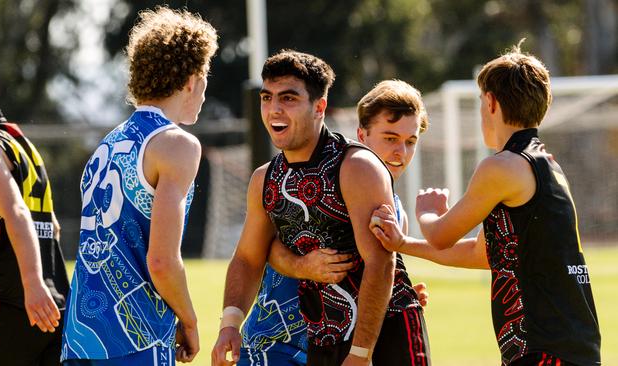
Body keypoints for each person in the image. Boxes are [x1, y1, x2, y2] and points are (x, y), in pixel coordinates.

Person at [370, 42, 602, 366]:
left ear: (490, 102)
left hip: (543, 347)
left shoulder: (502, 166)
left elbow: (440, 235)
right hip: (568, 343)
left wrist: (428, 211)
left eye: (481, 102)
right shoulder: (547, 163)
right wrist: (402, 243)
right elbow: (483, 254)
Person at [212, 51, 429, 366]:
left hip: (385, 335)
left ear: (320, 107)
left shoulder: (357, 166)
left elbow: (381, 263)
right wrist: (230, 323)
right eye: (266, 97)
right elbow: (247, 257)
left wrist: (361, 353)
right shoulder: (265, 179)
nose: (274, 108)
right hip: (322, 338)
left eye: (288, 98)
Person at [60, 6, 217, 366]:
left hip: (80, 338)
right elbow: (162, 261)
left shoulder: (109, 142)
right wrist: (190, 319)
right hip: (134, 341)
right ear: (192, 79)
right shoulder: (178, 145)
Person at [0, 49, 69, 365]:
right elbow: (51, 224)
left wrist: (31, 284)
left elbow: (16, 211)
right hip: (53, 306)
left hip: (11, 302)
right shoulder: (17, 140)